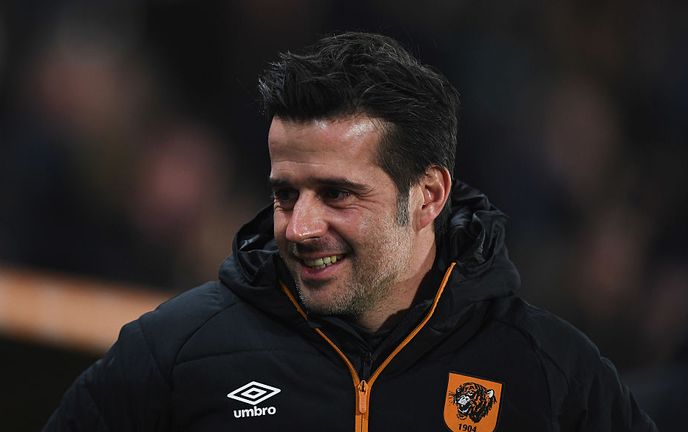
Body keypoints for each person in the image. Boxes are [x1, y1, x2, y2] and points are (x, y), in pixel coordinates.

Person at [44, 32, 657, 432]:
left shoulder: (551, 371)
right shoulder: (174, 351)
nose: (302, 226)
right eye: (286, 194)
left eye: (337, 194)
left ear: (429, 194)